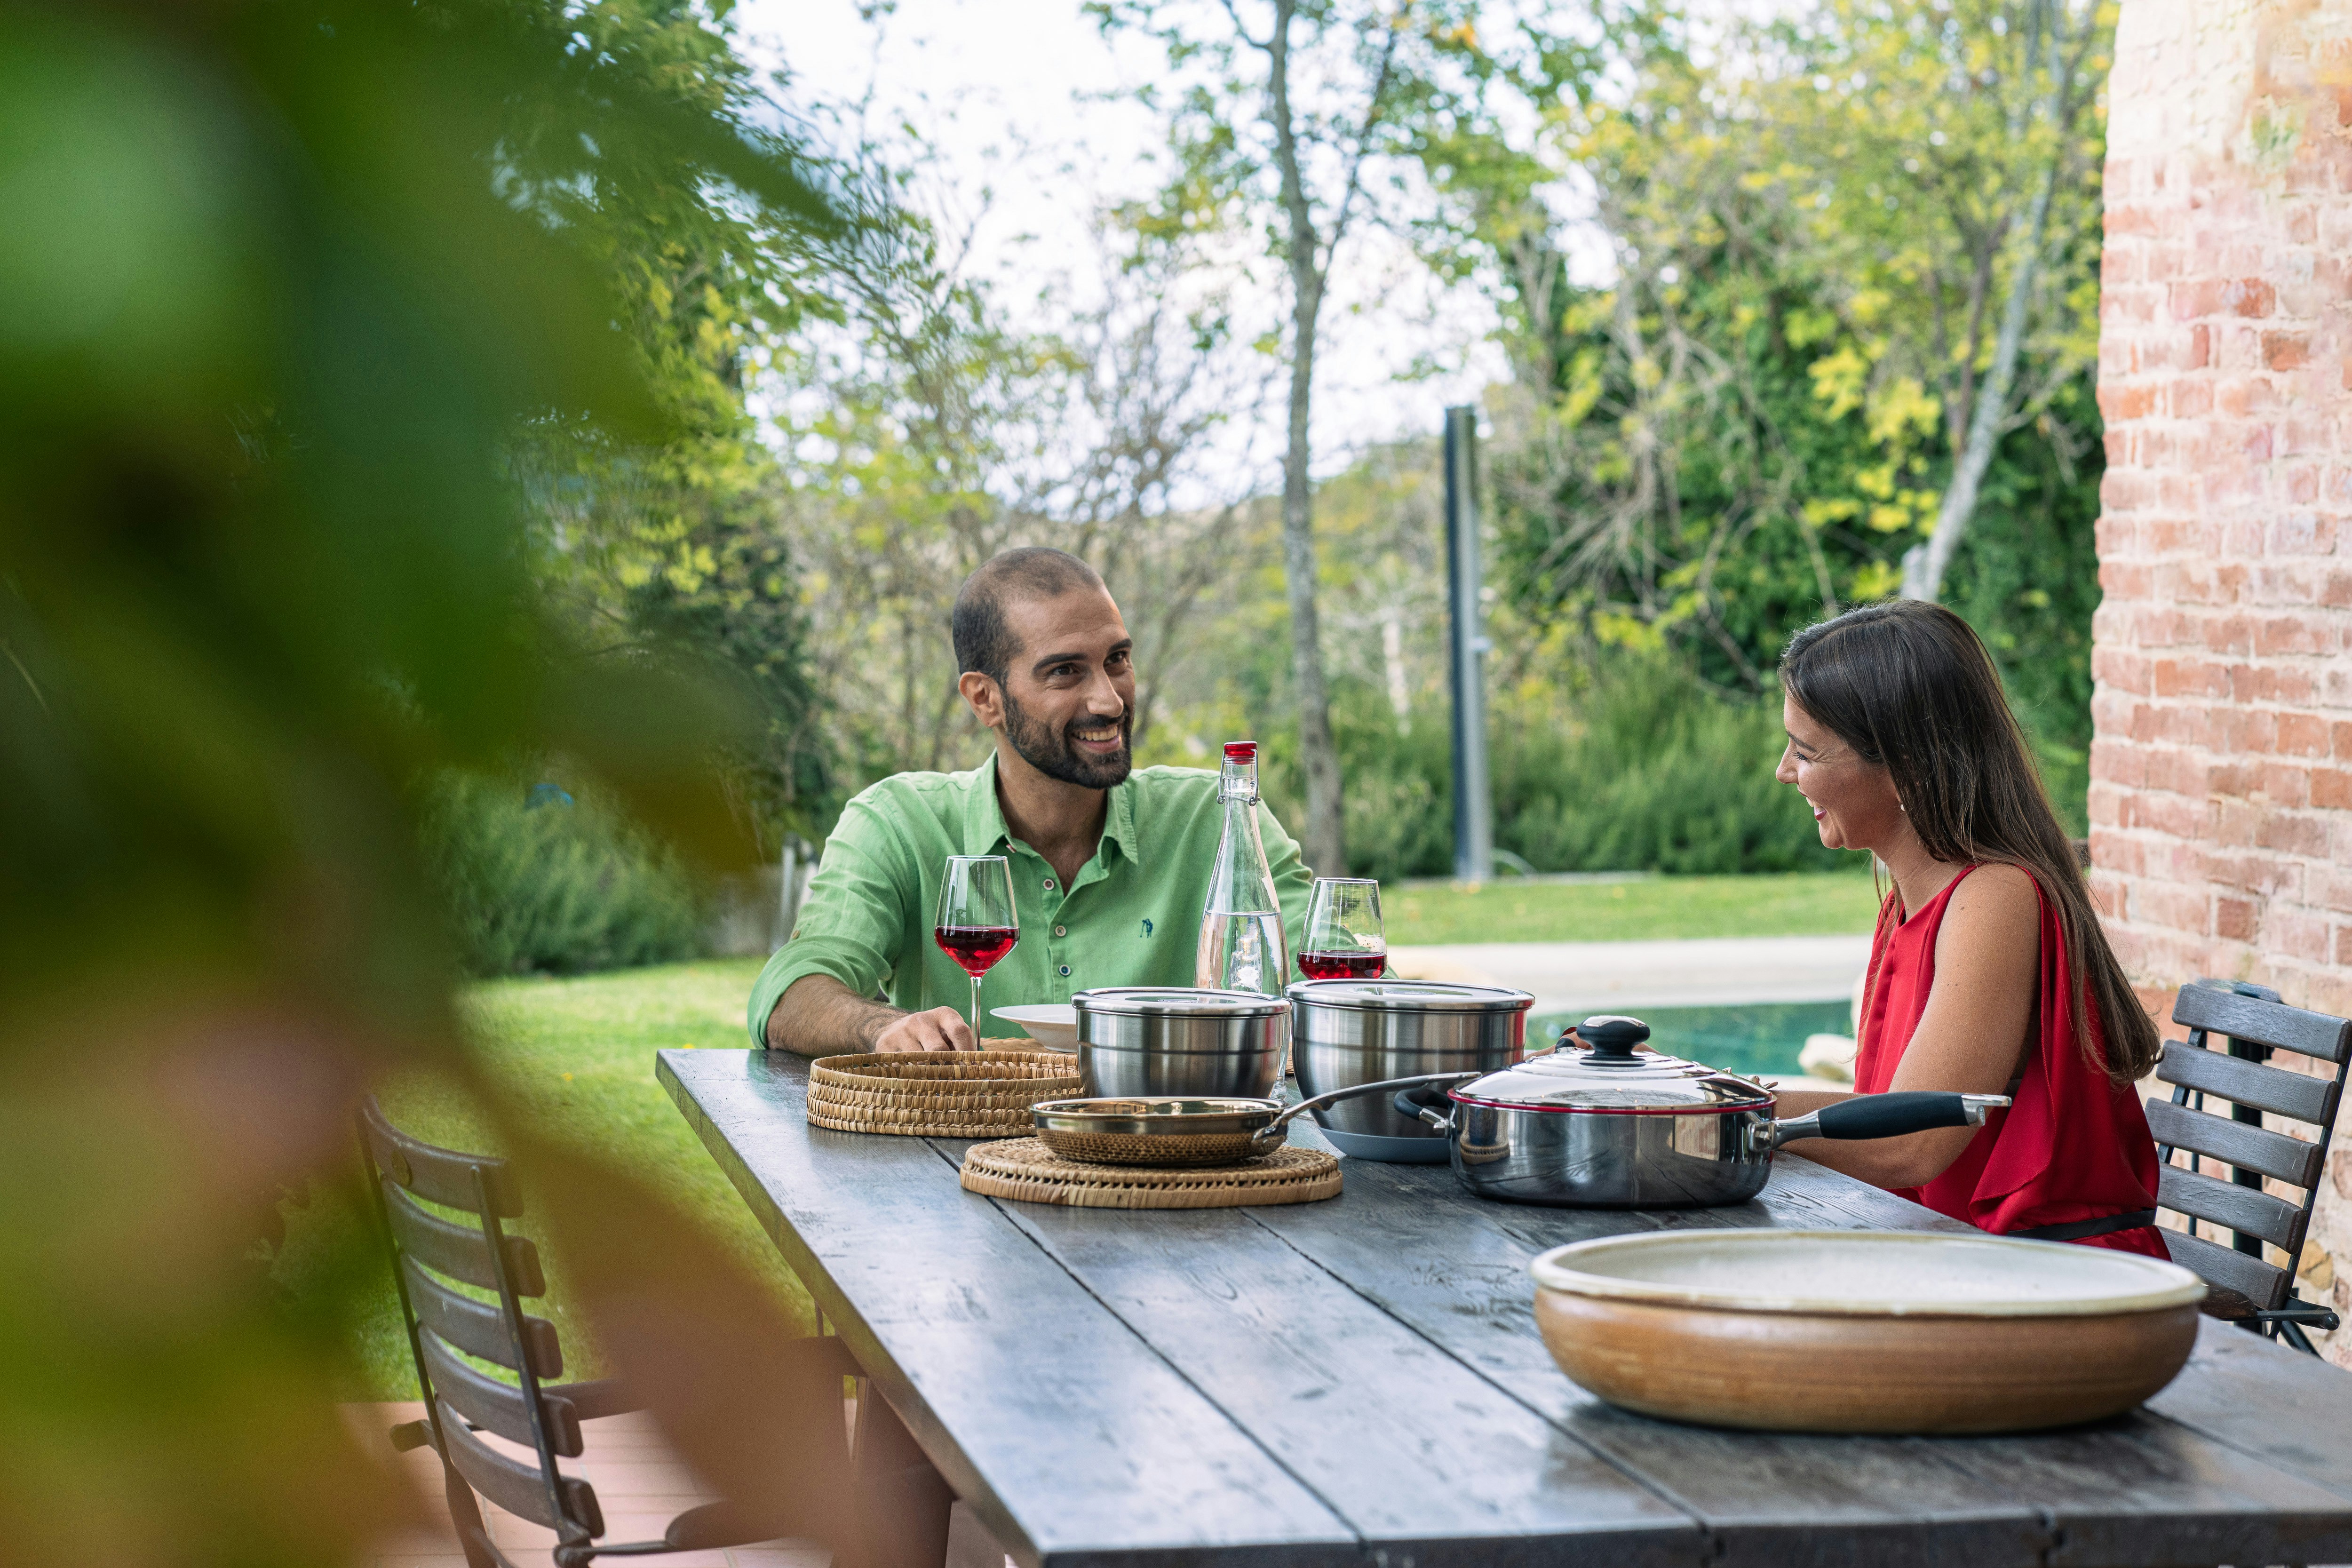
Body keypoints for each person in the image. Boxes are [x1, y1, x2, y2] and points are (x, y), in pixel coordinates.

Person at [749, 547, 1314, 1054]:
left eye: (1117, 659)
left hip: (1177, 1157)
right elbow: (791, 993)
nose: (1110, 700)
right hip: (947, 1160)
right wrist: (881, 1029)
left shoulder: (1218, 816)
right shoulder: (898, 824)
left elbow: (1342, 988)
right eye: (1065, 671)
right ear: (984, 698)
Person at [1766, 600, 2167, 1255]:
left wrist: (1715, 1110)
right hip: (1961, 1260)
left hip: (2057, 1282)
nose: (1784, 770)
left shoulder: (1996, 898)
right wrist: (1694, 1091)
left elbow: (1909, 1141)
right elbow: (1891, 1117)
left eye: (1806, 750)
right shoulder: (1914, 899)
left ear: (1904, 765)